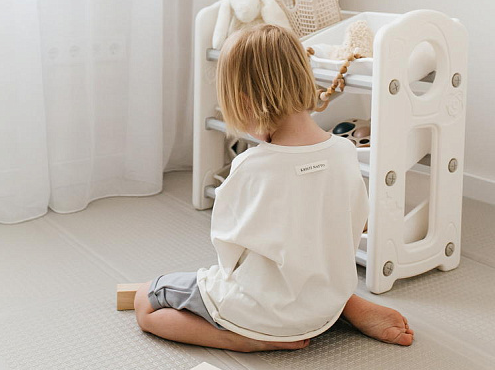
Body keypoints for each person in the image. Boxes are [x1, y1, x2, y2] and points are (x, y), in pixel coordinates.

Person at [134, 24, 414, 352]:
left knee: (145, 303)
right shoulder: (344, 152)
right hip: (323, 299)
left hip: (259, 310)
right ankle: (342, 306)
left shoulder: (252, 166)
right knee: (307, 255)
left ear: (244, 102)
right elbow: (354, 225)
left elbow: (228, 247)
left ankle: (241, 338)